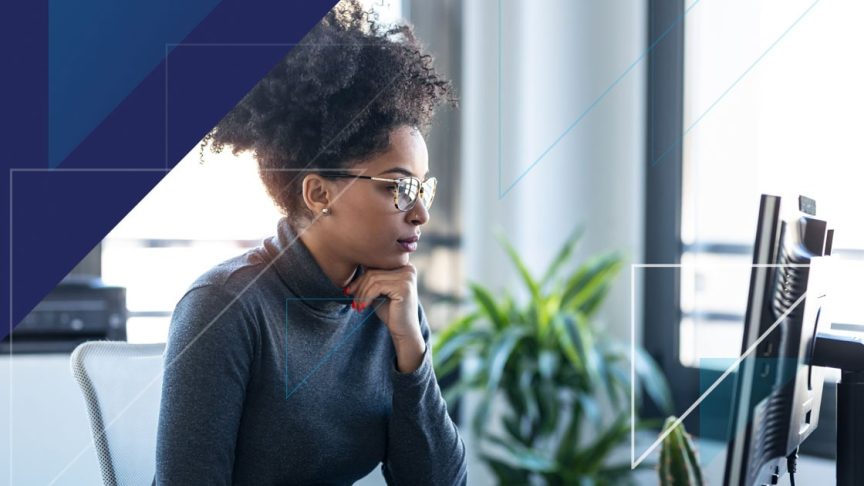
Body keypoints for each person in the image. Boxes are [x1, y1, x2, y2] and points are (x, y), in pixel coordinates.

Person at [153, 1, 466, 484]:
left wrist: (411, 350)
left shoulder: (394, 303)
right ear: (319, 193)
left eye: (423, 189)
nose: (421, 212)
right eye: (399, 188)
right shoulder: (226, 306)